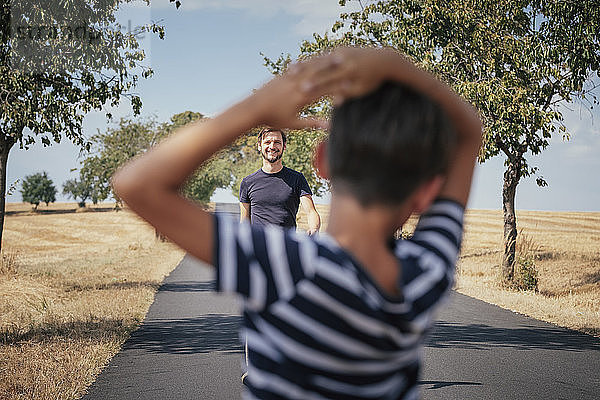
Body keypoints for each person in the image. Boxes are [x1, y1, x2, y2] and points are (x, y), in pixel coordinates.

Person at [113, 47, 482, 399]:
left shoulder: (284, 264)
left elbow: (136, 184)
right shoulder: (426, 271)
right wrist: (395, 64)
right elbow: (470, 133)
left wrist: (256, 108)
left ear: (322, 163)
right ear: (425, 195)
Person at [239, 127, 321, 235]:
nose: (272, 146)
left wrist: (314, 228)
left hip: (288, 248)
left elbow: (311, 212)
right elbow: (244, 222)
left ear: (284, 146)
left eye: (277, 142)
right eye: (267, 142)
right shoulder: (247, 183)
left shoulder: (297, 179)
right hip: (259, 249)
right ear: (259, 146)